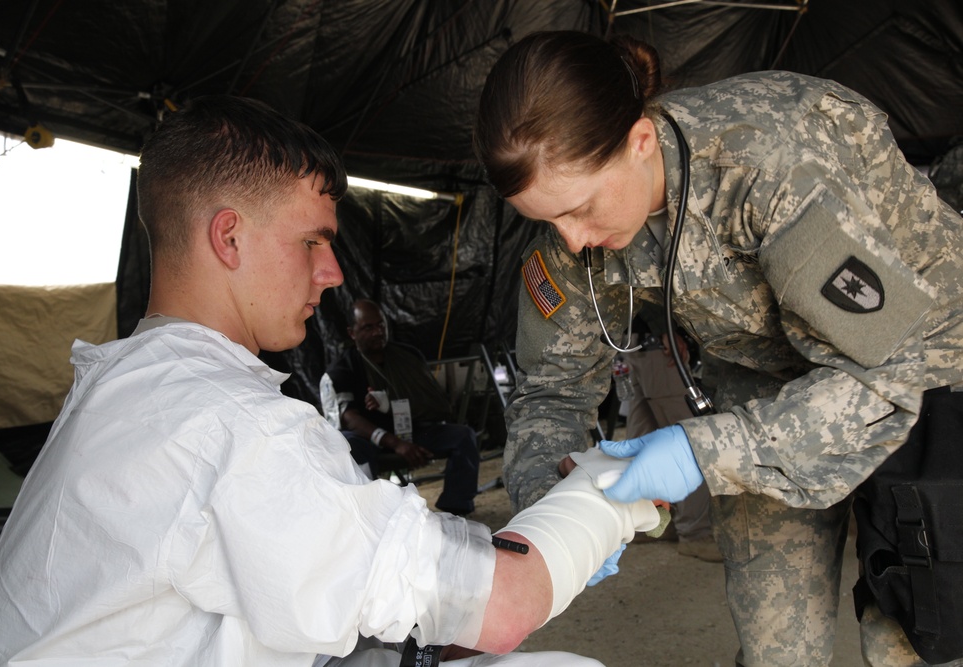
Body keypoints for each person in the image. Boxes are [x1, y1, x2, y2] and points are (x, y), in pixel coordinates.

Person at [0, 93, 669, 667]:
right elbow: (508, 607)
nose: (331, 273)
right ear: (229, 237)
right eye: (311, 241)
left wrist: (455, 587)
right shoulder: (224, 424)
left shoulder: (131, 385)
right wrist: (602, 498)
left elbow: (346, 606)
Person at [473, 30, 963, 667]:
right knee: (778, 649)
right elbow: (550, 391)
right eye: (548, 220)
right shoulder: (571, 241)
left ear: (640, 142)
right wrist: (555, 515)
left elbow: (884, 367)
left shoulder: (771, 161)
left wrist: (701, 451)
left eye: (582, 208)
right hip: (764, 380)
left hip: (922, 365)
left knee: (907, 636)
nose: (569, 242)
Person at [320, 299, 480, 516]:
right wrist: (395, 443)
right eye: (369, 327)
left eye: (381, 325)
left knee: (463, 436)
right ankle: (370, 514)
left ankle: (456, 508)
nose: (378, 332)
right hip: (372, 441)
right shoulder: (342, 370)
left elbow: (434, 402)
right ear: (352, 332)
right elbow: (348, 418)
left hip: (411, 431)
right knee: (349, 446)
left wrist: (393, 407)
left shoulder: (407, 358)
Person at [619, 313, 720, 563]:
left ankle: (647, 524)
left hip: (636, 338)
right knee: (689, 441)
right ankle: (695, 534)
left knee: (644, 435)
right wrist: (664, 328)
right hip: (655, 341)